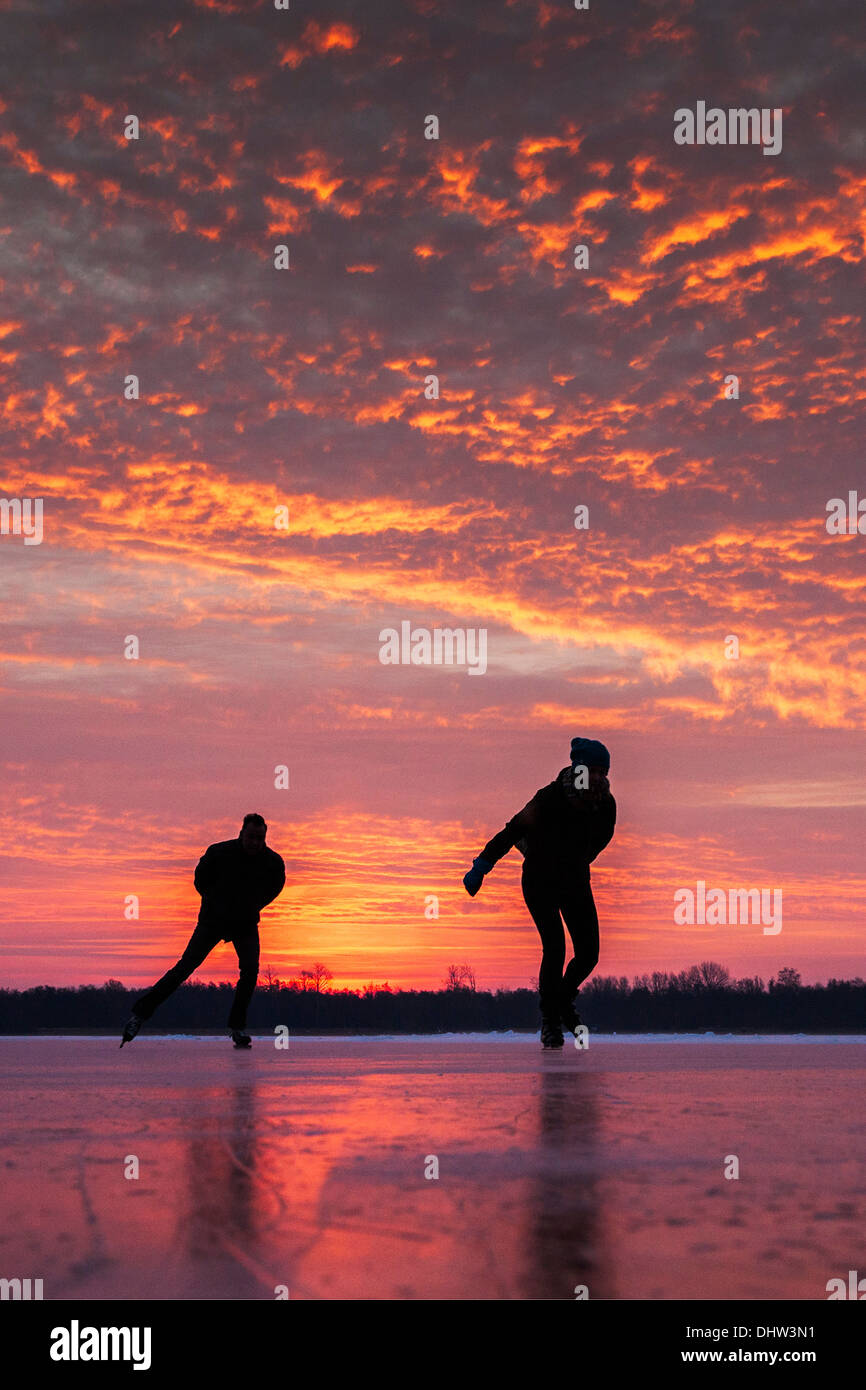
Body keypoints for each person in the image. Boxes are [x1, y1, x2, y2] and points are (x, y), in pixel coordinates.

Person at [462, 738, 616, 1049]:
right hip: (540, 880)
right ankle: (551, 1023)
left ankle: (560, 1003)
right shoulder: (551, 797)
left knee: (589, 954)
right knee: (555, 948)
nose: (598, 778)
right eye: (592, 770)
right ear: (578, 769)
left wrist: (577, 861)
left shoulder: (605, 805)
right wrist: (482, 865)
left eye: (603, 771)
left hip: (574, 880)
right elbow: (513, 830)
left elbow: (598, 842)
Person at [120, 813, 285, 1048]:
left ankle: (237, 1028)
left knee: (250, 971)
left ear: (265, 838)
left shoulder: (272, 862)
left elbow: (275, 886)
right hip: (213, 920)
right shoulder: (219, 852)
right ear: (241, 834)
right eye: (251, 837)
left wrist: (252, 905)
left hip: (244, 923)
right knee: (185, 967)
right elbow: (200, 880)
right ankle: (139, 1015)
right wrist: (217, 902)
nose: (255, 842)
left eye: (260, 838)